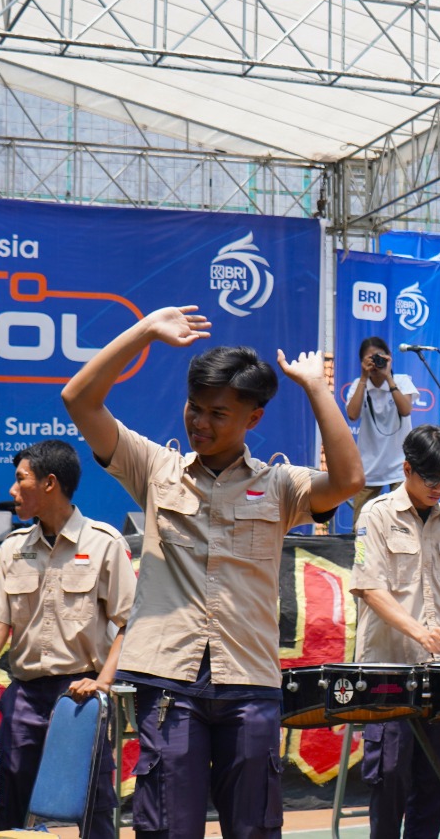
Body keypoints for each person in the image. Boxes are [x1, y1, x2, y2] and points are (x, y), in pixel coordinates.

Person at [60, 305, 364, 839]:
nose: (200, 422)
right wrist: (146, 331)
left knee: (253, 828)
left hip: (249, 683)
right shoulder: (156, 469)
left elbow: (348, 478)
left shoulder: (280, 486)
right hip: (167, 681)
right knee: (168, 828)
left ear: (253, 418)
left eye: (218, 413)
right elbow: (79, 399)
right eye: (194, 408)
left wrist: (317, 387)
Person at [0, 440, 135, 839]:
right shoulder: (13, 549)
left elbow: (129, 622)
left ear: (50, 483)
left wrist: (102, 684)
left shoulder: (104, 543)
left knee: (93, 804)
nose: (12, 491)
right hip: (25, 697)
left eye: (20, 480)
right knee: (13, 800)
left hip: (81, 697)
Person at [352, 424, 440, 839]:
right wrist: (417, 631)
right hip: (389, 672)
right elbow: (368, 587)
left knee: (436, 779)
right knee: (390, 774)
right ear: (407, 468)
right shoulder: (376, 515)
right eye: (432, 478)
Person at [345, 337, 417, 521]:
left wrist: (388, 378)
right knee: (361, 524)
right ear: (362, 361)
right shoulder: (358, 385)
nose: (376, 362)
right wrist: (363, 377)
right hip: (369, 466)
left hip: (400, 465)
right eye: (371, 358)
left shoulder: (401, 381)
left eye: (380, 357)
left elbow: (406, 410)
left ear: (389, 357)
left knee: (404, 522)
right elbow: (352, 415)